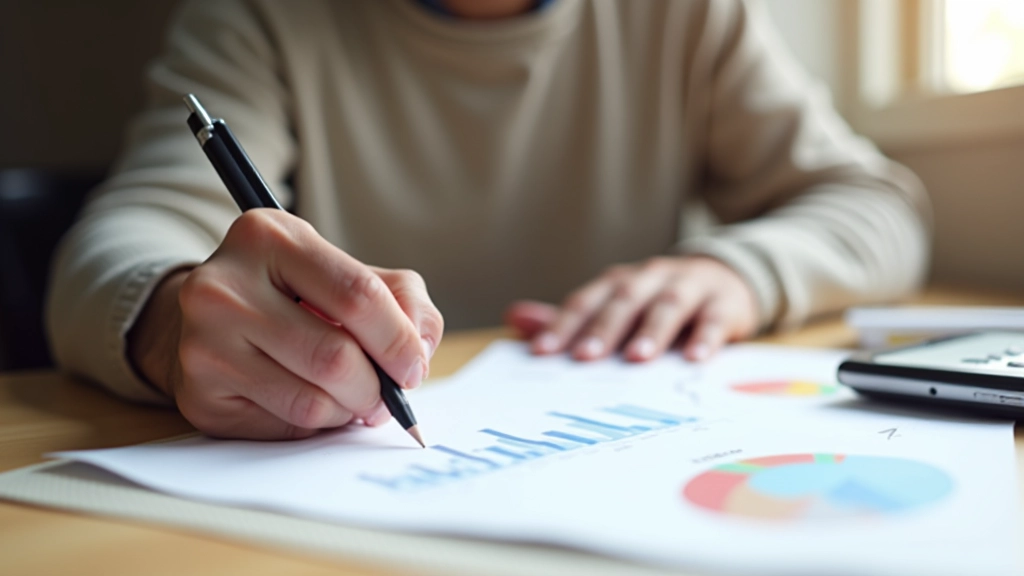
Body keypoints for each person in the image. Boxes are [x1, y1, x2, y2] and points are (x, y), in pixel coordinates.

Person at [46, 0, 929, 440]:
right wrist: (171, 327)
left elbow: (878, 205)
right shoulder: (261, 18)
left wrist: (737, 274)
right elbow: (120, 241)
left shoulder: (686, 15)